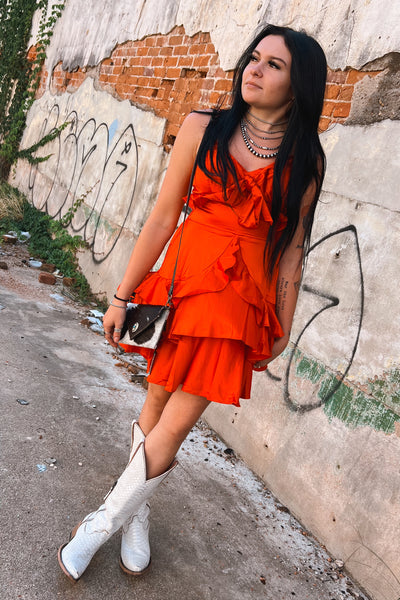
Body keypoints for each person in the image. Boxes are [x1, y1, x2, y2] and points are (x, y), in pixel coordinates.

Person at [58, 24, 327, 581]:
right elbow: (161, 216)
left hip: (236, 307)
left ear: (298, 85)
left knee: (175, 425)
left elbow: (292, 250)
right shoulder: (203, 127)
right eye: (254, 58)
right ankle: (138, 510)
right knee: (154, 405)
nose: (255, 69)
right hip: (181, 289)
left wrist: (284, 325)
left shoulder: (307, 159)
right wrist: (121, 295)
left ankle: (101, 522)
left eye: (274, 65)